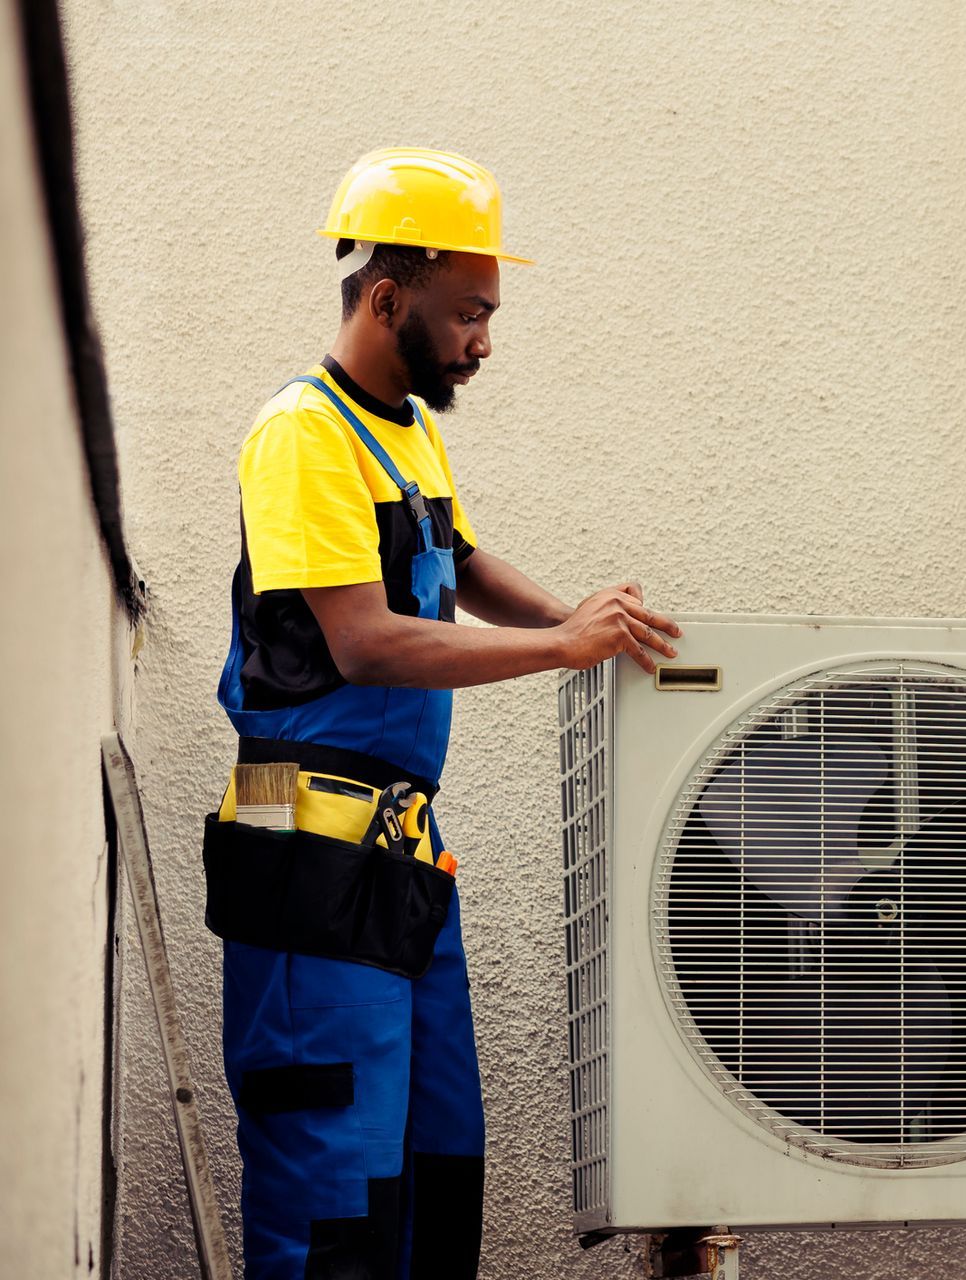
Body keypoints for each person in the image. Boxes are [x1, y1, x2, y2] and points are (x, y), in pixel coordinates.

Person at [208, 146, 681, 1280]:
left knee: (431, 1170)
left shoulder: (406, 427)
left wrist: (580, 620)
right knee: (334, 1192)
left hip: (393, 857)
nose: (483, 338)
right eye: (468, 310)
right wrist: (560, 646)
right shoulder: (300, 435)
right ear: (387, 296)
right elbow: (363, 641)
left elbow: (457, 560)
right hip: (307, 854)